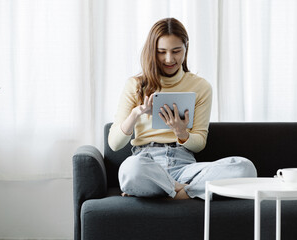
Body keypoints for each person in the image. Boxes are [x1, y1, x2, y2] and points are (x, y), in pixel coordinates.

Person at [108, 18, 257, 200]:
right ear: (152, 52)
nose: (169, 59)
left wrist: (181, 132)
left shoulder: (201, 87)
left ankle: (175, 192)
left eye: (176, 51)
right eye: (161, 52)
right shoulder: (135, 85)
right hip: (147, 163)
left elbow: (199, 143)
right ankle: (183, 190)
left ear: (186, 48)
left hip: (184, 166)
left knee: (245, 167)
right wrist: (136, 113)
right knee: (131, 169)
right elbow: (115, 144)